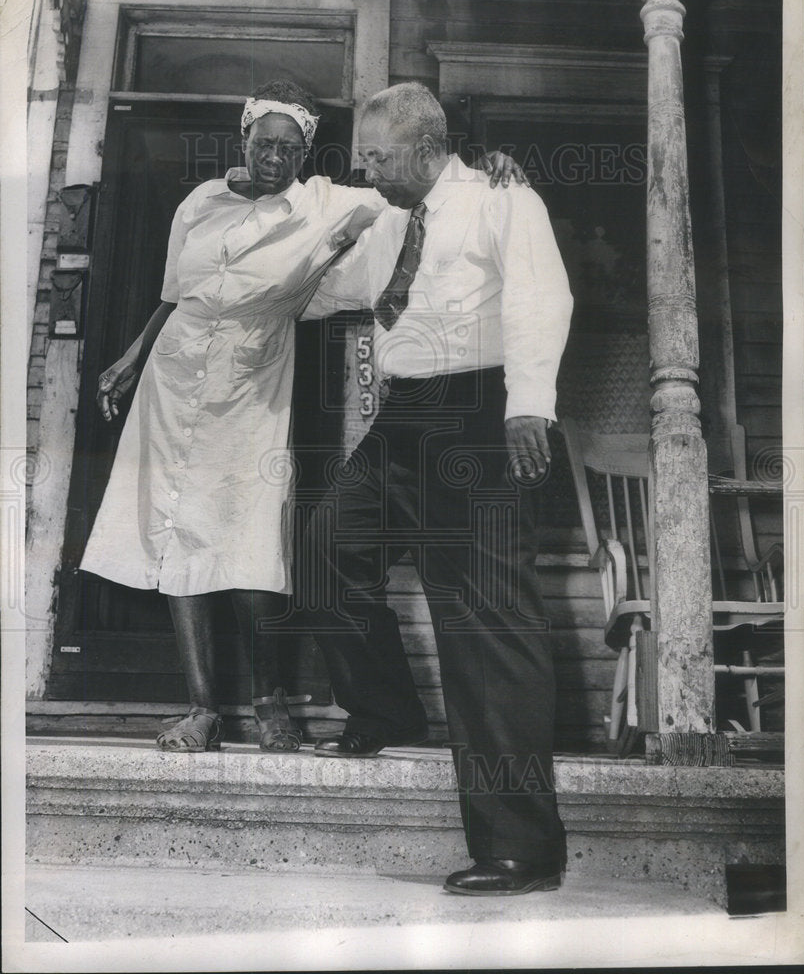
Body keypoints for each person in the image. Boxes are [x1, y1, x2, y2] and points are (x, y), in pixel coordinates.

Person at [80, 79, 523, 754]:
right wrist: (129, 357)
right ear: (245, 139)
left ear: (305, 151)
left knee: (250, 537)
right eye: (265, 143)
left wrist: (487, 167)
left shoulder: (325, 202)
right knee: (173, 529)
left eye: (291, 148)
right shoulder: (199, 202)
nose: (275, 158)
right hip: (171, 377)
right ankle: (201, 709)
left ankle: (270, 703)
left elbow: (420, 186)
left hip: (253, 377)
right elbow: (176, 294)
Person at [299, 82, 574, 895]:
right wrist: (329, 237)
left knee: (486, 624)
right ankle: (386, 711)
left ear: (424, 149)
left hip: (480, 411)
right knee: (322, 555)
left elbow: (539, 294)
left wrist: (528, 406)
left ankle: (522, 848)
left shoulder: (502, 198)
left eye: (378, 158)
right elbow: (319, 283)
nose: (367, 171)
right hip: (404, 418)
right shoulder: (387, 215)